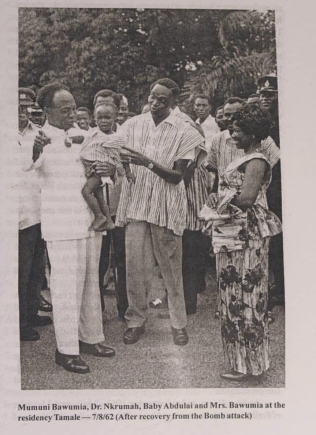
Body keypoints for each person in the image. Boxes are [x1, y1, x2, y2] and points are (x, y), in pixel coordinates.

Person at [29, 83, 115, 374]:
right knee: (65, 289)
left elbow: (104, 169)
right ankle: (65, 349)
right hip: (62, 224)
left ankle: (91, 337)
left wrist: (107, 172)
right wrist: (34, 150)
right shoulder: (38, 139)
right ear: (48, 111)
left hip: (90, 222)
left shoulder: (87, 134)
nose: (71, 113)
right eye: (64, 109)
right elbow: (28, 167)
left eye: (72, 107)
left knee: (91, 283)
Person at [116, 78, 204, 346]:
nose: (154, 103)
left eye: (162, 100)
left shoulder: (185, 130)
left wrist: (146, 162)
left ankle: (178, 323)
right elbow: (116, 149)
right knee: (135, 268)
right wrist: (127, 167)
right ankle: (136, 320)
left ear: (173, 103)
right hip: (137, 204)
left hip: (166, 207)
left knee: (171, 269)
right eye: (152, 97)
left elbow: (177, 176)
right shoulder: (133, 125)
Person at [204, 103, 282, 381]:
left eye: (237, 131)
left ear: (252, 133)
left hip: (247, 233)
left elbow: (247, 199)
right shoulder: (245, 157)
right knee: (231, 296)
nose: (232, 135)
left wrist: (221, 199)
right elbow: (233, 193)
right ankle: (240, 362)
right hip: (232, 232)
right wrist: (218, 198)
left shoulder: (257, 160)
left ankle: (250, 365)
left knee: (247, 297)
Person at [18, 88, 52, 341]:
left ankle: (30, 313)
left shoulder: (38, 132)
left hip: (39, 210)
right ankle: (18, 322)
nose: (23, 112)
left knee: (35, 270)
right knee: (19, 271)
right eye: (19, 106)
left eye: (28, 107)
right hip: (16, 213)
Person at [79, 103, 134, 232]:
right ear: (94, 119)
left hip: (101, 172)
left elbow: (124, 156)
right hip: (93, 170)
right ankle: (108, 221)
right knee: (99, 196)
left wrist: (128, 172)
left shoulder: (116, 138)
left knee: (86, 191)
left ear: (115, 118)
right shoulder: (93, 134)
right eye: (100, 118)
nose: (103, 121)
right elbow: (82, 141)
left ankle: (99, 216)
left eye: (107, 118)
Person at [258, 74, 284, 308]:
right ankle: (277, 284)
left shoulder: (285, 119)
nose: (264, 98)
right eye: (262, 94)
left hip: (285, 184)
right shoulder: (262, 120)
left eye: (269, 94)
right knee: (272, 235)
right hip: (269, 184)